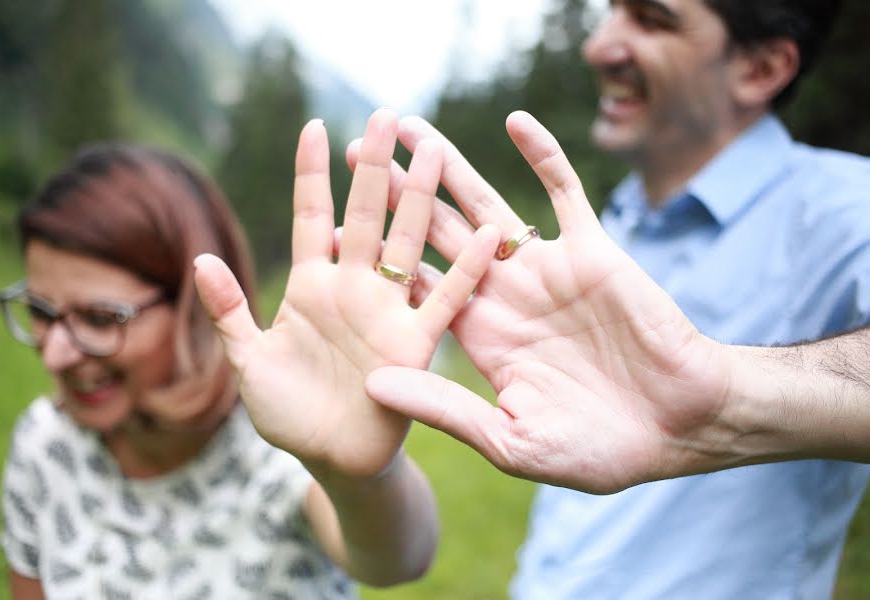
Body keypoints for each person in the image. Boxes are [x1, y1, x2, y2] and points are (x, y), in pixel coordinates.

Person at [356, 1, 870, 598]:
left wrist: (726, 394)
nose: (599, 46)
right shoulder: (609, 229)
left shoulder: (847, 209)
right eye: (611, 11)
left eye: (652, 20)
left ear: (760, 69)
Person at [0, 109, 498, 599]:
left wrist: (356, 478)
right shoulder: (46, 445)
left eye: (100, 318)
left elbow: (396, 559)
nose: (56, 354)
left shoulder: (282, 439)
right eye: (40, 310)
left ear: (193, 309)